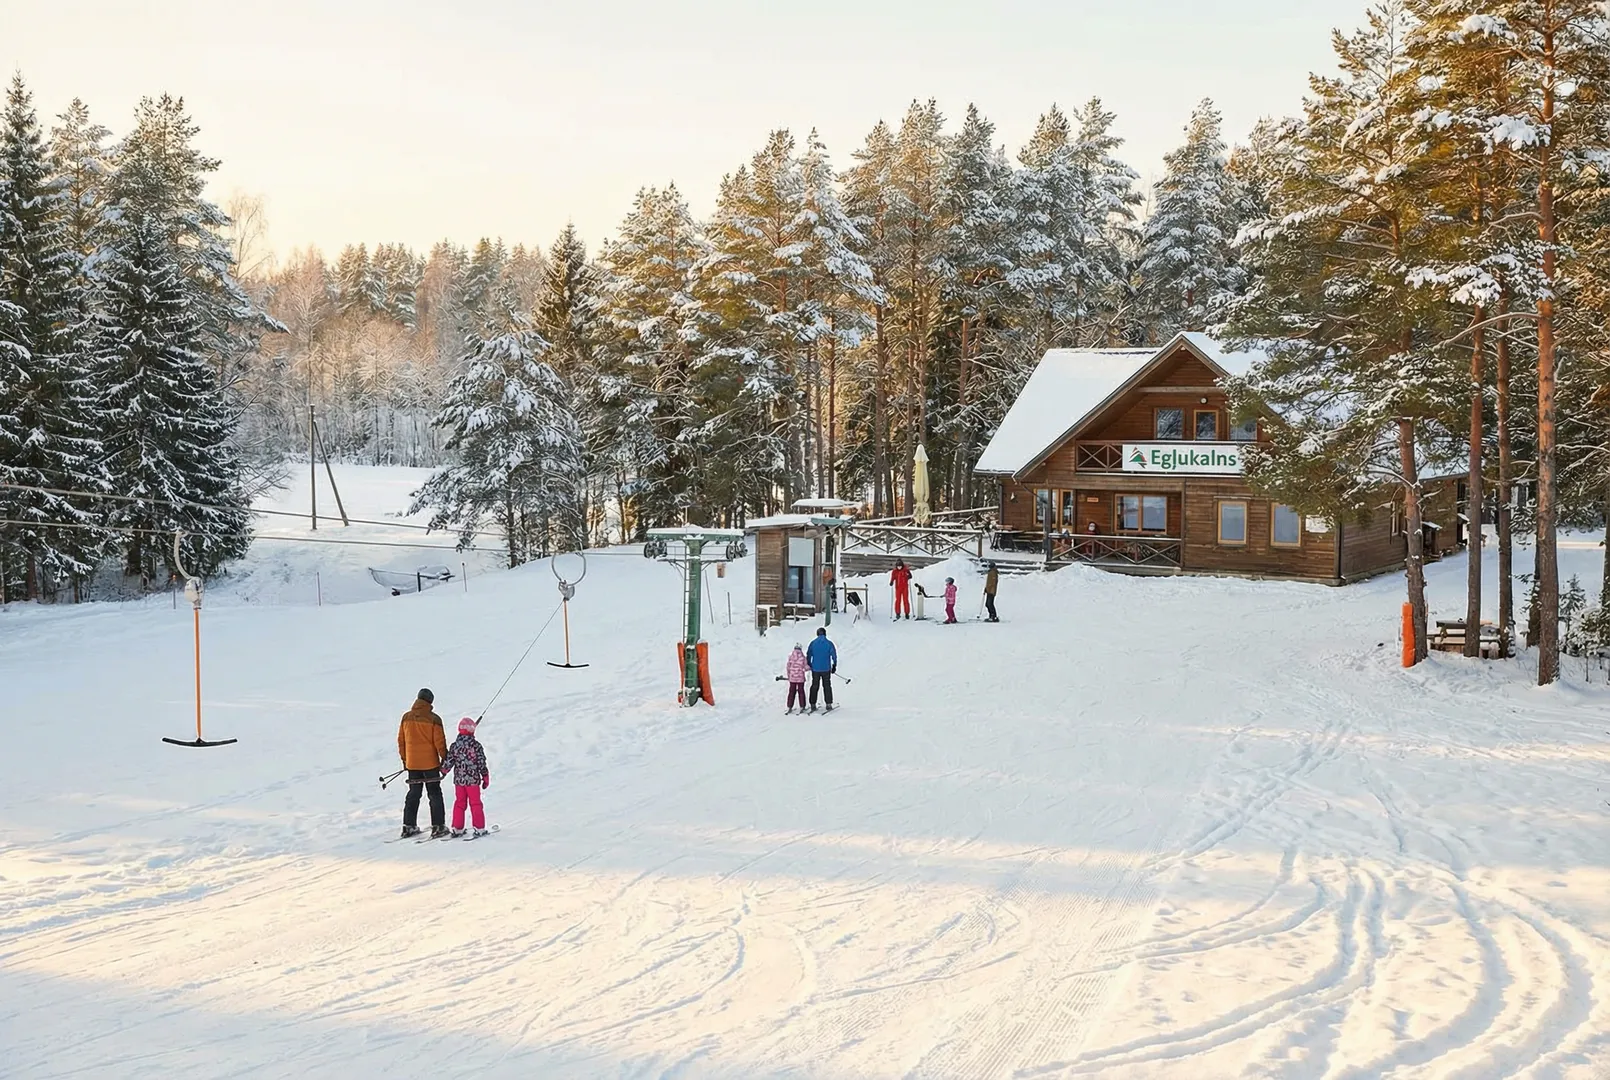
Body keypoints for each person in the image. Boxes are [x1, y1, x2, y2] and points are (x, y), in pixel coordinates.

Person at [397, 688, 449, 839]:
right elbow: (439, 742)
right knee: (434, 793)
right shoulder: (434, 719)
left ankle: (409, 826)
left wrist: (405, 760)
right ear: (430, 702)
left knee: (413, 793)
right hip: (430, 764)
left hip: (412, 764)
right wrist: (445, 758)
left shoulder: (406, 717)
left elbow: (401, 741)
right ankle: (438, 826)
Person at [440, 716, 491, 837]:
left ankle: (457, 828)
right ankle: (479, 828)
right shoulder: (476, 745)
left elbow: (449, 761)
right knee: (476, 804)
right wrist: (485, 775)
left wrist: (444, 770)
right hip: (473, 781)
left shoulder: (455, 746)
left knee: (459, 803)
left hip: (459, 781)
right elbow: (481, 762)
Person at [806, 627, 837, 711]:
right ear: (825, 634)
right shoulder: (829, 643)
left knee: (814, 685)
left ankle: (813, 704)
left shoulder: (813, 643)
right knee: (827, 686)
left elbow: (808, 654)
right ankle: (828, 703)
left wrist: (809, 663)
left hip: (815, 668)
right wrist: (834, 665)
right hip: (826, 668)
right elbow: (834, 655)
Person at [784, 643, 808, 714]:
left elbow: (788, 667)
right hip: (800, 678)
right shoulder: (803, 657)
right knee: (801, 692)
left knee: (791, 692)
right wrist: (810, 668)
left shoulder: (790, 657)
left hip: (792, 678)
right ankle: (802, 706)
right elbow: (806, 667)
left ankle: (789, 706)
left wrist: (789, 676)